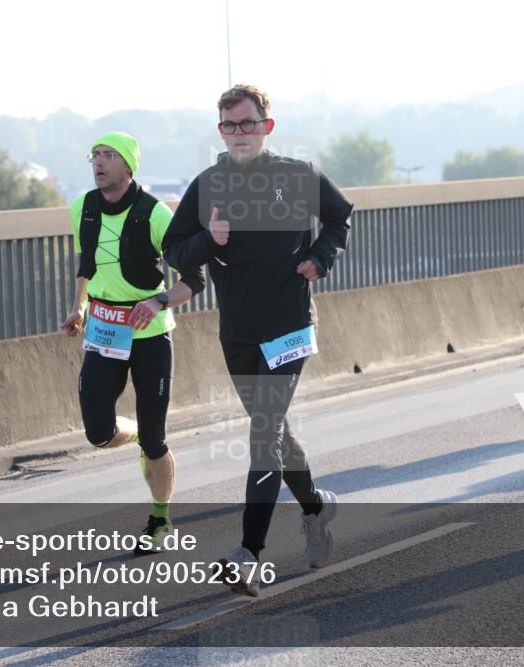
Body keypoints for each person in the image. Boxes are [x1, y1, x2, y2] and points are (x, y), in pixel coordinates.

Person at [163, 84, 354, 596]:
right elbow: (173, 246)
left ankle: (248, 553)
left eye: (247, 123)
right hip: (238, 333)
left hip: (290, 327)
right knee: (275, 434)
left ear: (267, 127)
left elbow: (340, 215)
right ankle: (315, 508)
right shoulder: (208, 185)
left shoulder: (296, 176)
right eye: (228, 125)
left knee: (262, 435)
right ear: (220, 130)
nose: (238, 133)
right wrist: (209, 241)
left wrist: (322, 256)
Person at [61, 131, 204, 555]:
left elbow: (193, 280)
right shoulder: (81, 208)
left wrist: (158, 299)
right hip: (104, 330)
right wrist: (79, 307)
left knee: (156, 443)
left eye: (109, 156)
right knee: (98, 432)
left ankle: (160, 518)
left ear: (128, 166)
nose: (99, 162)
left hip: (150, 336)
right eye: (95, 155)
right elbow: (86, 264)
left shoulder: (156, 214)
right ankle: (139, 431)